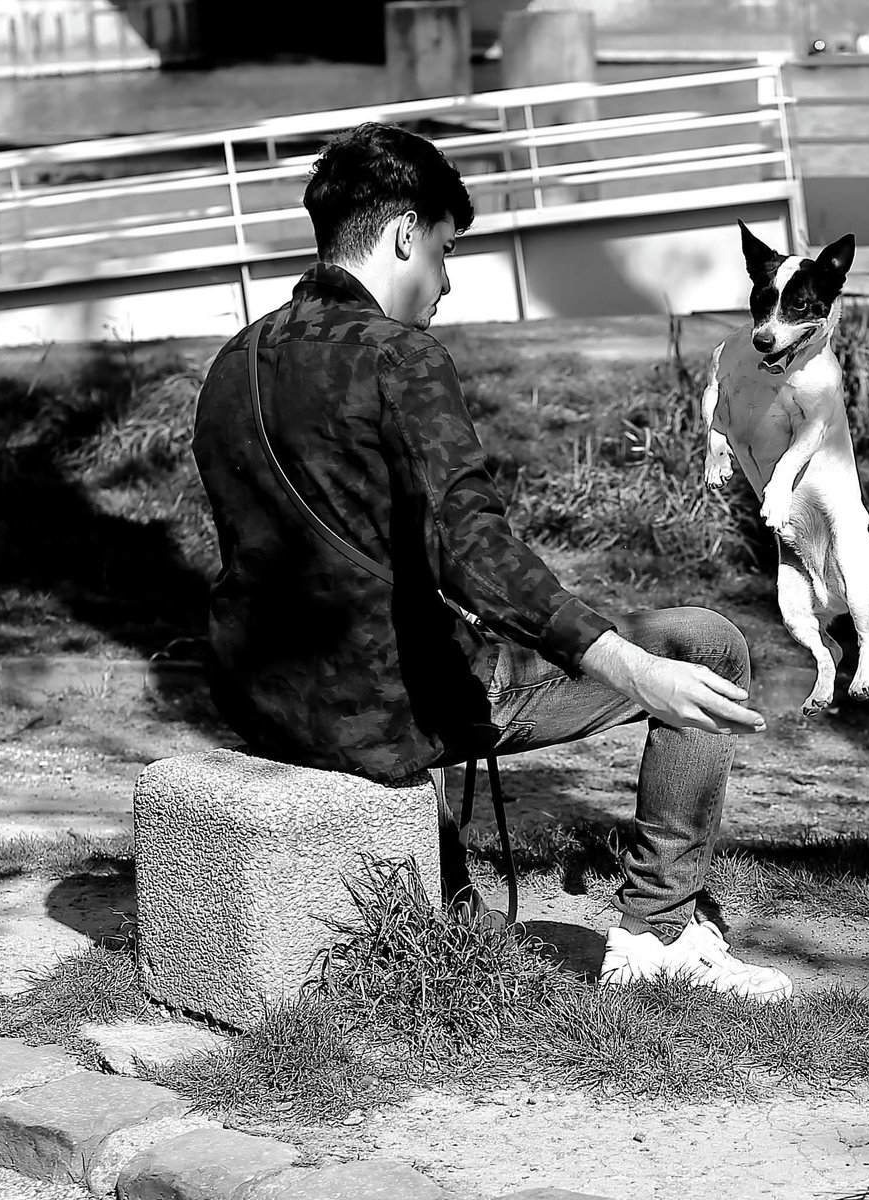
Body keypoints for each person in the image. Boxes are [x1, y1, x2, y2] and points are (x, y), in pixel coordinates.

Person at [192, 122, 792, 1001]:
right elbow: (473, 550)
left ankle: (456, 901)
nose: (445, 280)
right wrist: (628, 665)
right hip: (393, 704)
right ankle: (659, 933)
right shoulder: (400, 357)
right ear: (403, 234)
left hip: (266, 696)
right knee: (705, 647)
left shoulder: (230, 364)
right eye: (443, 250)